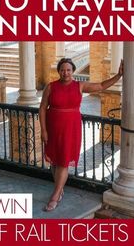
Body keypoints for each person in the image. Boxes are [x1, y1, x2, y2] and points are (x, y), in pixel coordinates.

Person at [39, 57, 124, 212]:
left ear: (73, 71)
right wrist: (43, 130)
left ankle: (56, 195)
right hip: (52, 128)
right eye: (62, 70)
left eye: (68, 70)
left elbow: (101, 85)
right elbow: (43, 108)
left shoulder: (80, 85)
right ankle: (60, 188)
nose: (65, 73)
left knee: (63, 161)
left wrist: (118, 76)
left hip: (71, 129)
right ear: (58, 71)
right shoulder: (51, 87)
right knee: (54, 160)